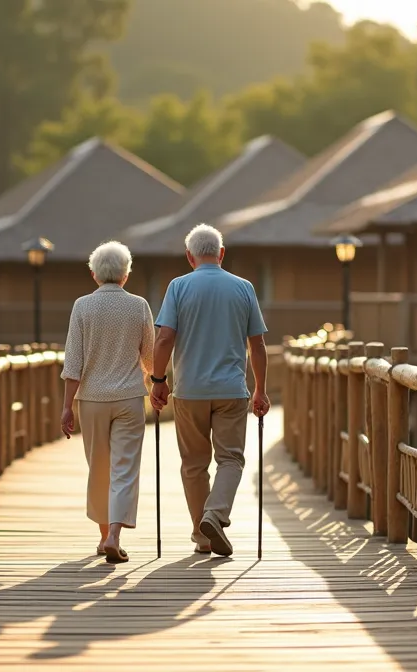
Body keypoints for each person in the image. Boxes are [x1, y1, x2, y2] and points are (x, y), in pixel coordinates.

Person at [149, 224, 270, 557]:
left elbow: (163, 339)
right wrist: (260, 389)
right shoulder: (243, 287)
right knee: (230, 459)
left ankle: (202, 535)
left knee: (193, 463)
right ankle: (214, 515)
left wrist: (158, 381)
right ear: (221, 253)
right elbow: (257, 345)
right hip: (232, 389)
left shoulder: (178, 286)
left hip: (190, 391)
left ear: (189, 256)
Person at [59, 241, 155, 563]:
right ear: (126, 274)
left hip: (93, 400)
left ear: (93, 274)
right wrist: (155, 384)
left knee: (99, 467)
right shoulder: (139, 305)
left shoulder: (82, 306)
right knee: (124, 468)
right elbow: (150, 357)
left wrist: (66, 406)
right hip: (129, 398)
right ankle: (114, 533)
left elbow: (73, 362)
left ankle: (103, 537)